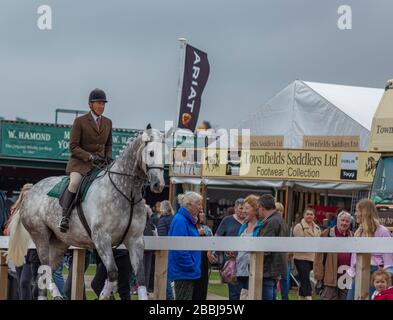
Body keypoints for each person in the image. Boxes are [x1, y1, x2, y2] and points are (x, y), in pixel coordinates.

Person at [60, 88, 112, 232]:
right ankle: (65, 217)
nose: (101, 106)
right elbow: (73, 146)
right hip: (80, 165)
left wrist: (108, 157)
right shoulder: (80, 121)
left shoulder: (108, 122)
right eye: (98, 103)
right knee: (75, 183)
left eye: (103, 104)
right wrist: (89, 156)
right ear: (90, 105)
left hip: (100, 165)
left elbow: (108, 145)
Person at [347, 199, 393, 300]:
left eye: (357, 211)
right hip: (358, 273)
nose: (355, 214)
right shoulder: (358, 232)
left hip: (375, 275)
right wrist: (352, 273)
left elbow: (389, 261)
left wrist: (383, 279)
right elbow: (354, 257)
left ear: (364, 212)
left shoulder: (383, 232)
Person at [168, 192, 203, 300]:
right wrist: (191, 266)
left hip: (187, 273)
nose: (200, 207)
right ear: (189, 205)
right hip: (183, 273)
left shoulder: (186, 220)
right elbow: (179, 249)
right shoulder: (180, 221)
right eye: (198, 204)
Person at [314, 211, 353, 300]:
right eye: (342, 220)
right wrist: (319, 276)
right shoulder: (327, 234)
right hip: (329, 277)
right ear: (337, 221)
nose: (344, 223)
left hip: (346, 277)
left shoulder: (352, 236)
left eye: (347, 221)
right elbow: (319, 257)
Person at [214, 198, 246, 300]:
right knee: (234, 292)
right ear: (235, 208)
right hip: (231, 262)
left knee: (245, 291)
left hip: (245, 261)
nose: (242, 211)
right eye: (240, 208)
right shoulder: (227, 220)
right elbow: (218, 237)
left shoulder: (249, 222)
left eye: (245, 208)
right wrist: (215, 252)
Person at [257, 195, 288, 300]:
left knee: (268, 295)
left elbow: (265, 248)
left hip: (269, 268)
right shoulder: (279, 219)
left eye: (258, 208)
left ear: (262, 207)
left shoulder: (271, 222)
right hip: (276, 267)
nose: (258, 211)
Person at [232, 195, 263, 300]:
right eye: (243, 208)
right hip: (240, 269)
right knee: (239, 296)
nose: (243, 211)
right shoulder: (244, 225)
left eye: (247, 208)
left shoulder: (261, 226)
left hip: (253, 271)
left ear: (255, 210)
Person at [293, 207, 321, 300]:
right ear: (304, 215)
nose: (309, 216)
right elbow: (300, 243)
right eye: (307, 214)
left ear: (314, 216)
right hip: (301, 258)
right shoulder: (299, 226)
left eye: (311, 214)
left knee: (303, 279)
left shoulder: (317, 228)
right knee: (305, 278)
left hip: (313, 258)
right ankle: (309, 297)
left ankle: (301, 297)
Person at [193, 210, 213, 300]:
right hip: (193, 262)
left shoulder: (207, 229)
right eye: (200, 212)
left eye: (203, 212)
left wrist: (210, 251)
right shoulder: (190, 227)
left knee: (202, 289)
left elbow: (211, 244)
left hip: (203, 263)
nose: (203, 214)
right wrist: (197, 234)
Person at [157, 200, 175, 300]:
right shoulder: (174, 218)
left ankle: (169, 296)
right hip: (174, 248)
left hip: (165, 250)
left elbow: (161, 236)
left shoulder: (162, 220)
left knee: (165, 274)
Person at [275, 201, 290, 300]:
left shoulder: (285, 224)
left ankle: (285, 297)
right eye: (277, 210)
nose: (279, 212)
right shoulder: (273, 222)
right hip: (275, 255)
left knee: (284, 278)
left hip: (283, 254)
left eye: (281, 210)